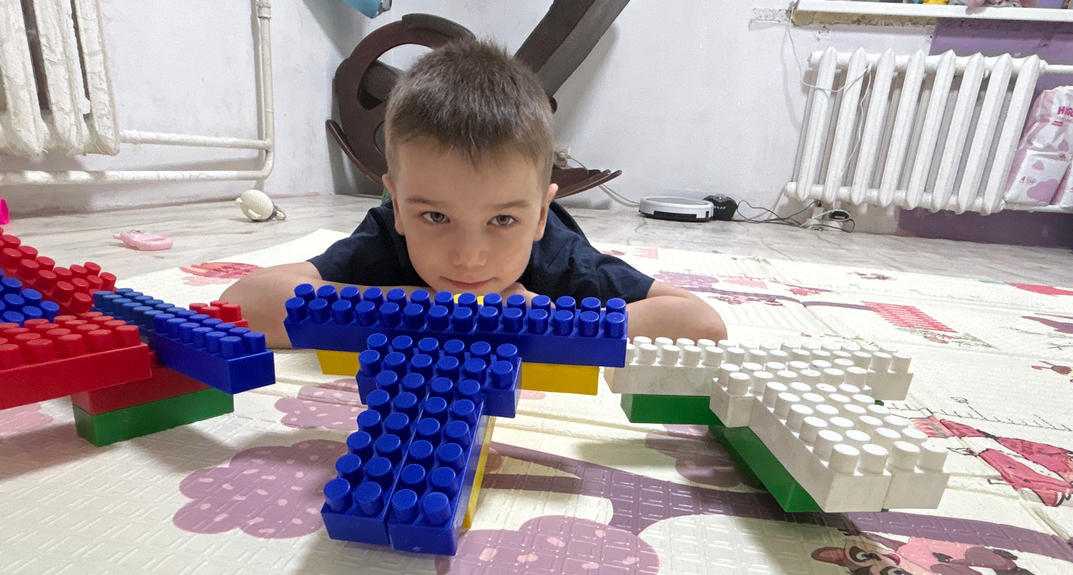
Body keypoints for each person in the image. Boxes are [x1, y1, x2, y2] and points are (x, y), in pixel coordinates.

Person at [223, 37, 727, 347]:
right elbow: (244, 302)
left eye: (502, 220)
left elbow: (700, 322)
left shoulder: (557, 257)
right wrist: (407, 305)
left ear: (539, 215)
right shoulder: (387, 239)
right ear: (397, 205)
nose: (468, 257)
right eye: (435, 217)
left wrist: (550, 320)